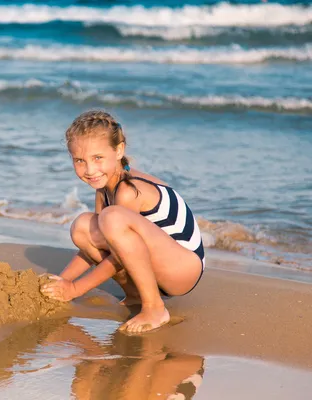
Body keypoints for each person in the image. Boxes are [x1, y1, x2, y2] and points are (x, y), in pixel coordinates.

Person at [41, 110, 205, 333]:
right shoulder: (104, 186)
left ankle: (155, 308)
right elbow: (104, 245)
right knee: (82, 227)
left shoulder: (128, 190)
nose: (89, 170)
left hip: (183, 268)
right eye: (80, 160)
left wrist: (74, 289)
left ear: (118, 150)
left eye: (98, 158)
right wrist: (62, 280)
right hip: (156, 263)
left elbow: (118, 254)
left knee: (111, 219)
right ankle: (136, 295)